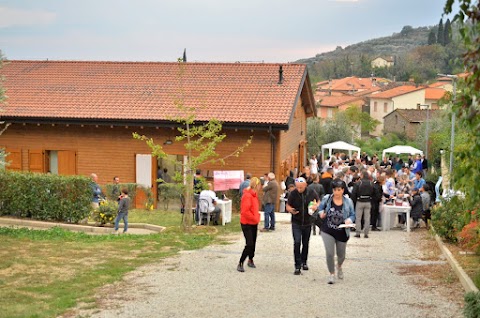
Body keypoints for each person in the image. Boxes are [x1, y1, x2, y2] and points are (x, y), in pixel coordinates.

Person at [319, 178, 356, 284]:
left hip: (342, 231)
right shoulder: (327, 199)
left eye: (339, 190)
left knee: (341, 255)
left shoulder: (348, 202)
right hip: (328, 230)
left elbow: (353, 214)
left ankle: (339, 266)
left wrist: (349, 219)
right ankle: (331, 274)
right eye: (335, 190)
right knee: (330, 253)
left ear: (343, 190)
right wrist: (321, 213)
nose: (337, 192)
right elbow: (320, 208)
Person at [286, 177, 319, 275]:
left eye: (301, 187)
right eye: (297, 187)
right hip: (296, 221)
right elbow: (288, 205)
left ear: (305, 185)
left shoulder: (311, 192)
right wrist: (291, 210)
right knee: (297, 242)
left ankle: (304, 261)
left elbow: (318, 201)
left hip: (307, 221)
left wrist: (315, 206)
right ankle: (297, 265)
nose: (299, 189)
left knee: (305, 243)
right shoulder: (293, 194)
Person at [237, 177, 261, 272]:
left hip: (254, 222)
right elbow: (245, 211)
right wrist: (255, 217)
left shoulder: (254, 195)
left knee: (253, 242)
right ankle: (241, 262)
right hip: (246, 222)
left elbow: (254, 209)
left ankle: (251, 259)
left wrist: (256, 217)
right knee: (249, 243)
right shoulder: (247, 196)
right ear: (257, 185)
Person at [352, 171, 374, 238]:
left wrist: (355, 200)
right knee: (367, 218)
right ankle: (366, 233)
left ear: (362, 175)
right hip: (368, 201)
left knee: (358, 218)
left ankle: (358, 232)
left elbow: (354, 193)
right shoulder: (371, 183)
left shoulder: (358, 183)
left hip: (360, 200)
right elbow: (374, 192)